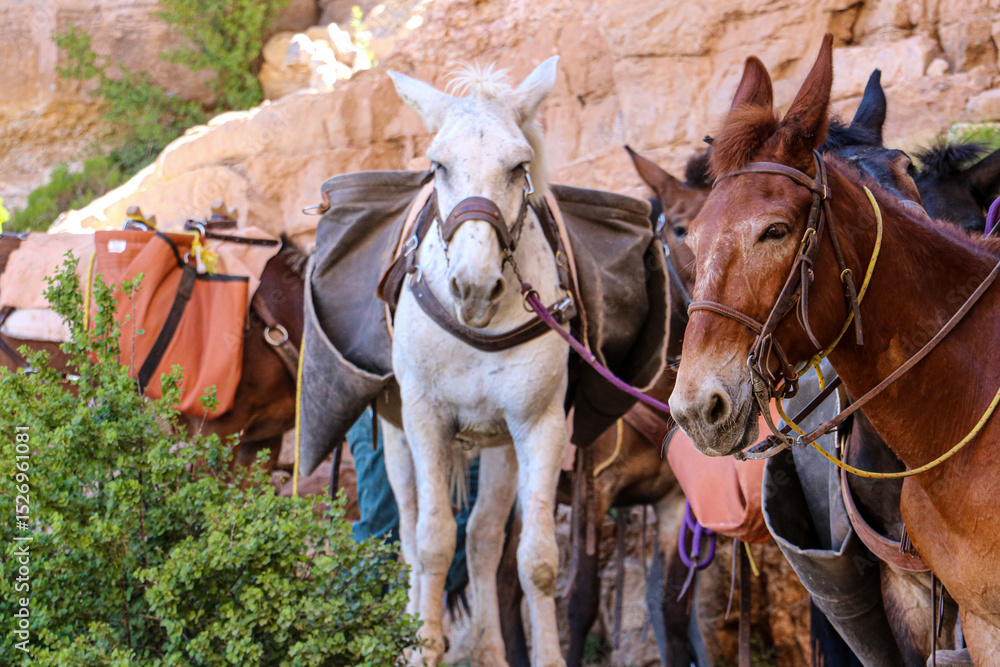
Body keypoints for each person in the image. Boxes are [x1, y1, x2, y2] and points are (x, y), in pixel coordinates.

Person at [346, 409, 476, 600]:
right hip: (380, 406)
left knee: (487, 504)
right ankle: (359, 611)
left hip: (455, 408)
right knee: (383, 516)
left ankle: (420, 591)